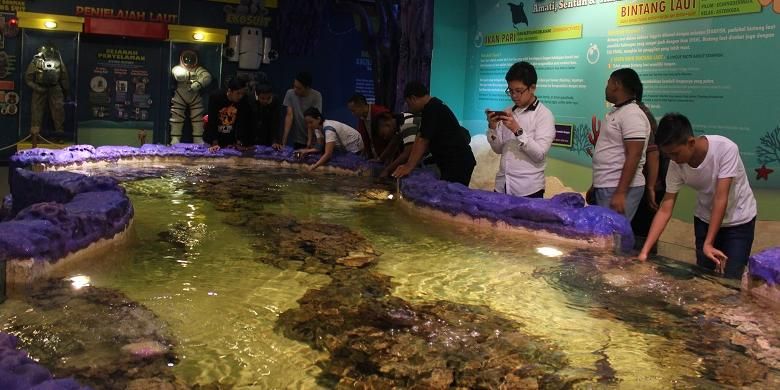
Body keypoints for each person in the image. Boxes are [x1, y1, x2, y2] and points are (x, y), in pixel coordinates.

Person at [638, 113, 757, 279]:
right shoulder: (676, 164)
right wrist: (645, 251)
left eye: (676, 153)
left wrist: (709, 243)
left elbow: (720, 198)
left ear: (691, 142)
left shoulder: (725, 149)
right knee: (704, 275)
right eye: (668, 155)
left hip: (738, 219)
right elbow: (666, 207)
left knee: (732, 277)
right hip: (704, 218)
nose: (673, 159)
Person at [486, 61, 556, 198]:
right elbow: (498, 149)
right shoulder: (508, 112)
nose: (514, 96)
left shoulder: (544, 115)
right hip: (502, 185)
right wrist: (492, 128)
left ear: (532, 88)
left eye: (518, 91)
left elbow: (539, 155)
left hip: (529, 190)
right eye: (510, 91)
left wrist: (517, 130)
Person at [589, 68, 651, 220]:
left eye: (608, 83)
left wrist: (621, 192)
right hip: (607, 185)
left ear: (616, 84)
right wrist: (595, 185)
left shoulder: (632, 114)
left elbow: (634, 154)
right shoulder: (617, 112)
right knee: (602, 237)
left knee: (612, 238)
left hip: (618, 188)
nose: (606, 88)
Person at [392, 81, 476, 186]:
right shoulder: (431, 106)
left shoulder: (432, 108)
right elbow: (420, 137)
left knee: (452, 196)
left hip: (458, 162)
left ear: (413, 98)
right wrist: (410, 164)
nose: (409, 108)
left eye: (408, 104)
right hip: (454, 161)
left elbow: (423, 141)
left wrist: (409, 167)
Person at [25, 44, 69, 138]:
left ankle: (60, 134)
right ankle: (35, 136)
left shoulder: (58, 60)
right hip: (39, 88)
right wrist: (37, 88)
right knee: (36, 111)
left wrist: (65, 90)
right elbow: (28, 79)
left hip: (55, 88)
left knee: (58, 111)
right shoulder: (36, 61)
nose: (49, 53)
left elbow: (64, 77)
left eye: (50, 52)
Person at [299, 107, 364, 171]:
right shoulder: (317, 128)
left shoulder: (329, 129)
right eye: (307, 123)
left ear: (318, 119)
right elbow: (318, 147)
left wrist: (313, 167)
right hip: (343, 147)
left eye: (311, 122)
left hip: (355, 146)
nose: (309, 126)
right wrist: (305, 151)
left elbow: (328, 154)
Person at [169, 49, 212, 144]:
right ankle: (175, 138)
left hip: (194, 95)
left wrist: (198, 84)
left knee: (197, 118)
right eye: (186, 58)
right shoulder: (178, 68)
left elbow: (207, 77)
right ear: (181, 58)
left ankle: (198, 138)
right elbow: (179, 75)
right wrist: (192, 77)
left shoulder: (198, 69)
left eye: (191, 58)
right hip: (180, 95)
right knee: (177, 117)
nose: (188, 61)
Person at [203, 77, 253, 152]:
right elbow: (212, 120)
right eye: (238, 93)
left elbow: (242, 122)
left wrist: (240, 142)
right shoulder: (216, 97)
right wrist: (214, 142)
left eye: (242, 93)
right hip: (212, 139)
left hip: (230, 141)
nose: (240, 96)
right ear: (230, 91)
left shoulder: (243, 100)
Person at [275, 72, 322, 150]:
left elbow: (314, 119)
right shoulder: (290, 93)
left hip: (313, 137)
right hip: (298, 137)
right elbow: (289, 116)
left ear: (307, 88)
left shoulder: (316, 96)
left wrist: (310, 140)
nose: (295, 90)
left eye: (299, 88)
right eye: (294, 86)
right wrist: (284, 141)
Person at [373, 112, 420, 178]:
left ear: (387, 124)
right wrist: (380, 159)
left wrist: (387, 170)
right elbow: (394, 142)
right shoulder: (399, 121)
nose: (385, 138)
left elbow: (407, 153)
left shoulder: (407, 124)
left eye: (383, 135)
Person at [346, 93, 390, 158]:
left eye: (353, 111)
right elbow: (366, 139)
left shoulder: (381, 113)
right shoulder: (362, 118)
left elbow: (391, 140)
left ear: (361, 106)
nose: (352, 114)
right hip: (377, 155)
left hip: (388, 154)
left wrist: (382, 158)